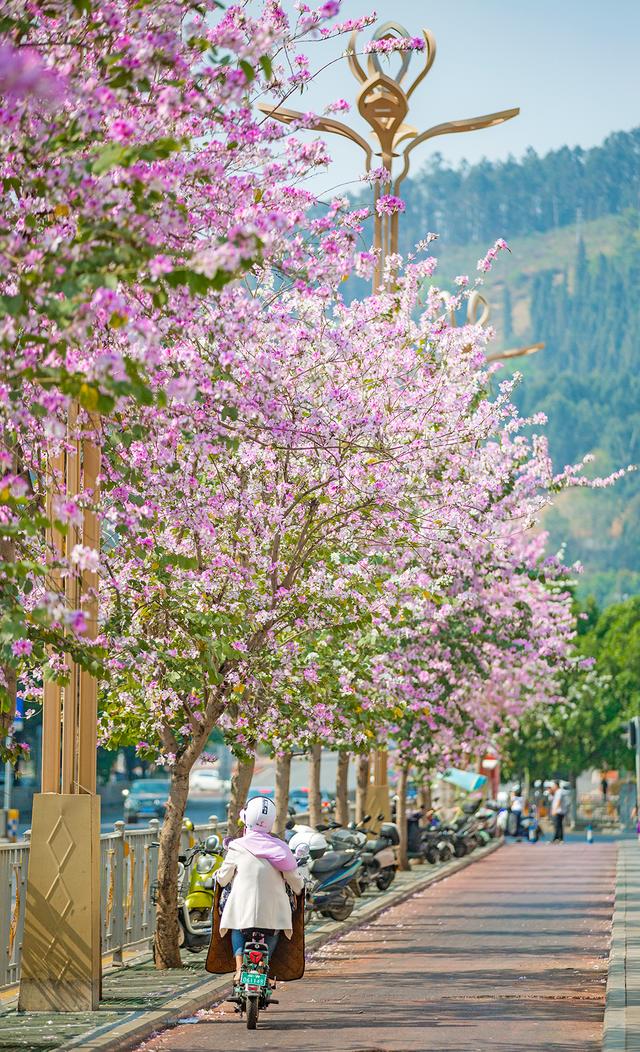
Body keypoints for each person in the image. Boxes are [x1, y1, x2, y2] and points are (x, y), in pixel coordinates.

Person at [216, 796, 304, 983]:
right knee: (274, 930)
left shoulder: (237, 847)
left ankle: (240, 969)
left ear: (246, 819)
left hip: (242, 910)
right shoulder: (281, 849)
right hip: (273, 913)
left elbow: (223, 879)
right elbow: (295, 882)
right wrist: (301, 888)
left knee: (237, 927)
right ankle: (264, 964)